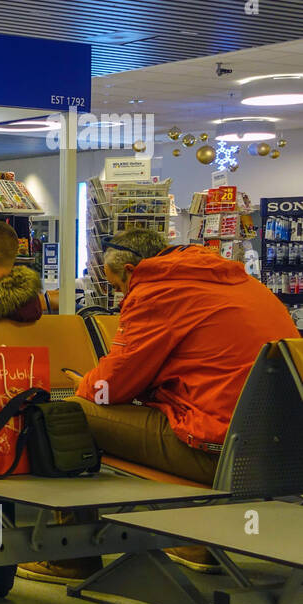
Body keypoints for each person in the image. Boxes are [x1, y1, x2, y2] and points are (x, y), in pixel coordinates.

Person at [18, 227, 299, 585]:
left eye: (120, 287)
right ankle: (197, 541)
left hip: (219, 455)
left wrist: (88, 383)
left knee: (69, 414)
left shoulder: (158, 290)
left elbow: (113, 384)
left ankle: (72, 557)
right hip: (281, 457)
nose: (122, 298)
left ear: (133, 271)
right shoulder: (241, 283)